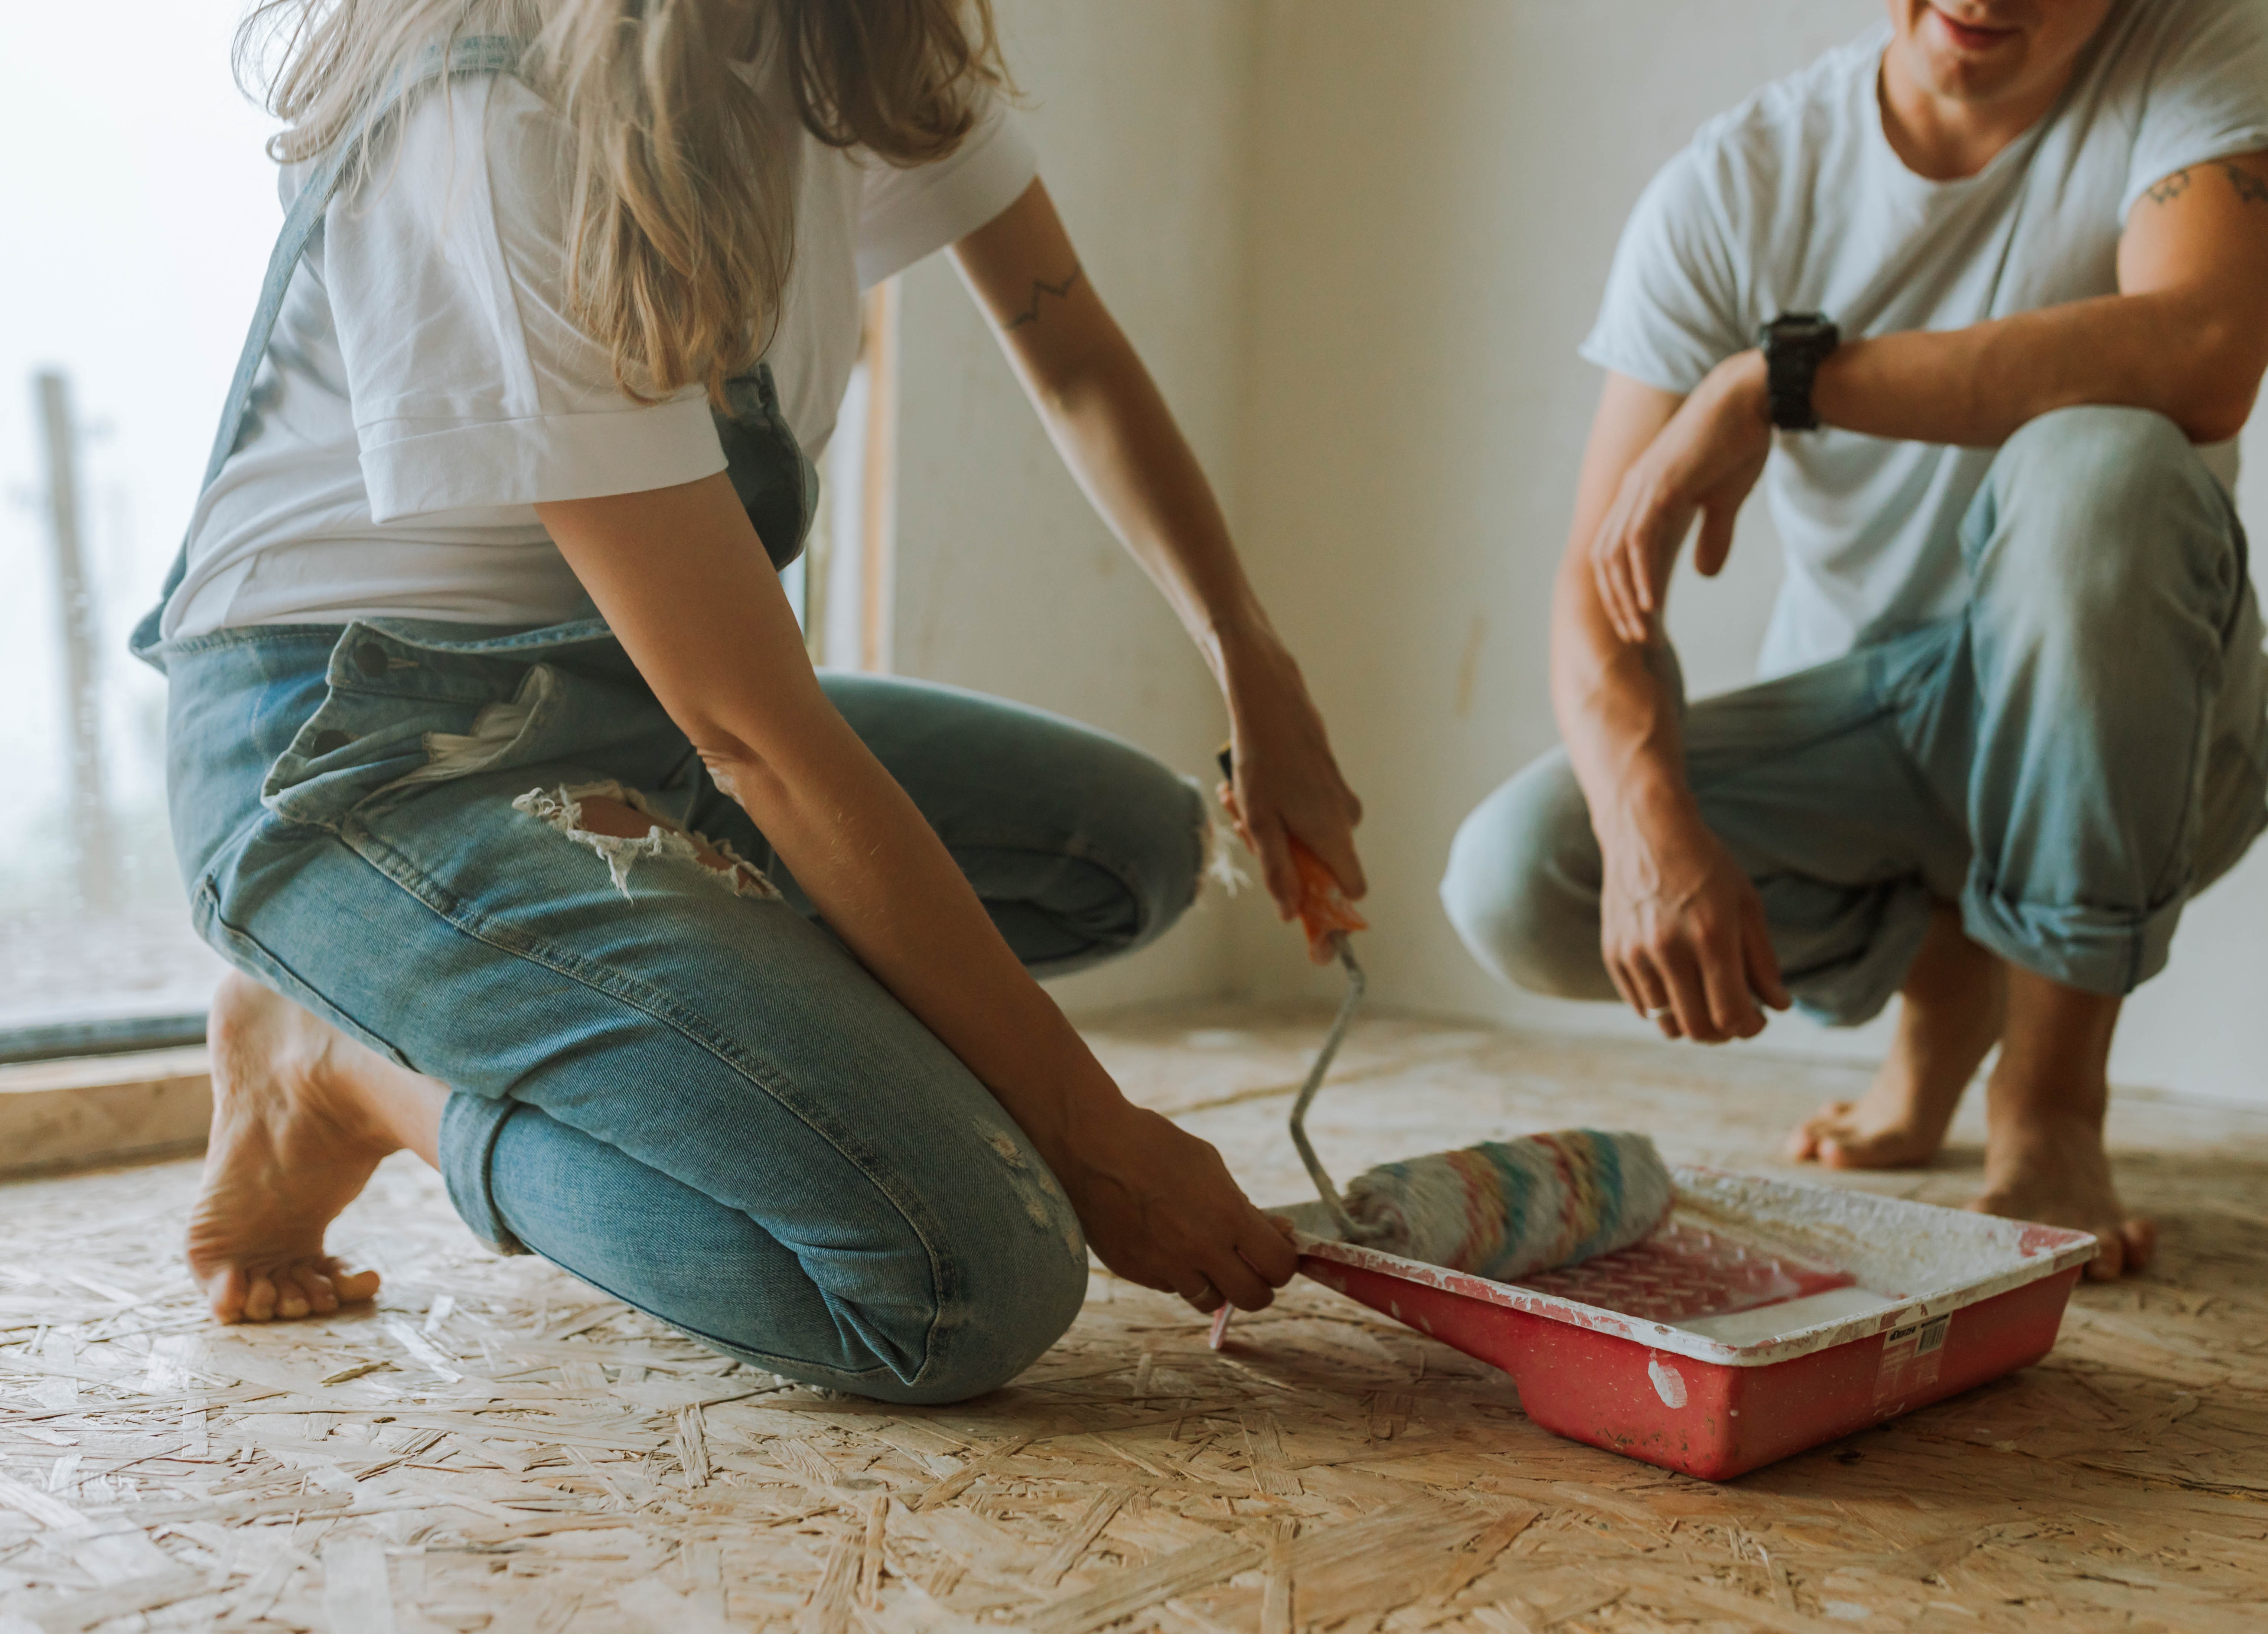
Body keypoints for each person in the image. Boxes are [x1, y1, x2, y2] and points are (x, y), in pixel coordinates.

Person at [141, 0, 1365, 1403]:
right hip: (366, 761)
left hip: (633, 700)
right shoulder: (492, 115)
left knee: (1126, 851)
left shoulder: (855, 35)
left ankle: (694, 1026)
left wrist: (1251, 663)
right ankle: (351, 1071)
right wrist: (1086, 1131)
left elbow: (1073, 348)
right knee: (961, 1280)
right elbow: (753, 732)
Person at [1442, 0, 2268, 1277]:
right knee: (1520, 877)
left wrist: (1783, 379)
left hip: (2155, 734)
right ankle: (1947, 990)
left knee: (2104, 464)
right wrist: (1644, 824)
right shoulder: (1739, 183)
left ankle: (2050, 1100)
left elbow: (2204, 345)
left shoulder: (2203, 41)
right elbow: (1601, 575)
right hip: (1875, 726)